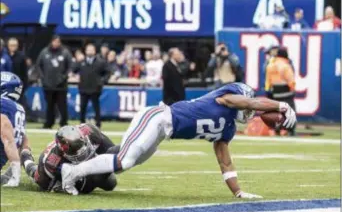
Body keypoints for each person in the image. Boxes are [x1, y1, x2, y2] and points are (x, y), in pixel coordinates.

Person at [60, 82, 296, 198]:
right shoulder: (225, 99)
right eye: (248, 102)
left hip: (163, 132)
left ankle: (82, 166)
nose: (251, 112)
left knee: (124, 164)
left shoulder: (229, 128)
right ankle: (71, 171)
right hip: (156, 117)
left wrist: (238, 192)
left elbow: (225, 161)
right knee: (125, 160)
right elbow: (253, 104)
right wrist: (282, 105)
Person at [21, 123, 118, 194]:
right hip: (48, 174)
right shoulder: (53, 162)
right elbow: (85, 188)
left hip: (70, 161)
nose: (80, 153)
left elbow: (112, 151)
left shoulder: (90, 131)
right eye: (75, 151)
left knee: (111, 179)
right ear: (63, 151)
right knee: (35, 174)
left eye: (81, 146)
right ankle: (25, 155)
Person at [36, 35, 72, 129]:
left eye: (58, 42)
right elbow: (39, 65)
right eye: (55, 41)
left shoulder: (65, 52)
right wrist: (43, 77)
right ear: (51, 42)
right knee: (49, 106)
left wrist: (63, 77)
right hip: (48, 85)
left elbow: (70, 66)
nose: (56, 43)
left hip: (61, 85)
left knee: (62, 105)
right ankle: (48, 123)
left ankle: (64, 123)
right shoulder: (44, 52)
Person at [0, 71, 28, 187]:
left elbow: (8, 138)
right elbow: (24, 141)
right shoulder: (19, 108)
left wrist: (15, 176)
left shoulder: (2, 104)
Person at [72, 43, 110, 128]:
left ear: (94, 51)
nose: (89, 51)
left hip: (95, 88)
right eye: (88, 49)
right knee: (82, 107)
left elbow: (108, 72)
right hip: (83, 88)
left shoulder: (100, 62)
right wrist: (75, 76)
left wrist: (102, 81)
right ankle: (81, 124)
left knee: (96, 107)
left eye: (91, 49)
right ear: (85, 51)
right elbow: (73, 70)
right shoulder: (81, 61)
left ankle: (98, 123)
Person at [265, 47, 296, 135]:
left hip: (275, 92)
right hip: (286, 91)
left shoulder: (270, 65)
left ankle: (277, 129)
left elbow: (268, 80)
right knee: (290, 111)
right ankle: (291, 130)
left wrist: (268, 91)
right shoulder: (285, 66)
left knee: (278, 111)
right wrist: (293, 90)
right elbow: (291, 80)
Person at [6, 38, 28, 103]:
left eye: (15, 45)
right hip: (5, 85)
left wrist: (24, 87)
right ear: (8, 45)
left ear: (17, 46)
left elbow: (24, 73)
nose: (13, 47)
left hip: (17, 86)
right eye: (11, 45)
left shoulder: (22, 57)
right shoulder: (4, 56)